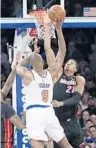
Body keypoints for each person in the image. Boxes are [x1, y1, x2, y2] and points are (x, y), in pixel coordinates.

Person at [15, 17, 73, 148]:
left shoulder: (28, 75)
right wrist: (57, 29)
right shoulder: (50, 73)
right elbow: (61, 51)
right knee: (65, 144)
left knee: (62, 144)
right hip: (47, 111)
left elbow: (18, 67)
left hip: (35, 113)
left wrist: (30, 55)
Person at [44, 16, 85, 148]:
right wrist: (51, 28)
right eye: (67, 62)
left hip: (73, 122)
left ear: (76, 69)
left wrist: (61, 103)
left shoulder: (78, 79)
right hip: (57, 123)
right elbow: (57, 50)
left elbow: (76, 99)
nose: (68, 64)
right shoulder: (57, 74)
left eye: (71, 64)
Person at [1, 53, 25, 148]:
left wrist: (15, 68)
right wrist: (25, 116)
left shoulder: (5, 108)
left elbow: (7, 85)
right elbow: (21, 126)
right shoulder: (5, 108)